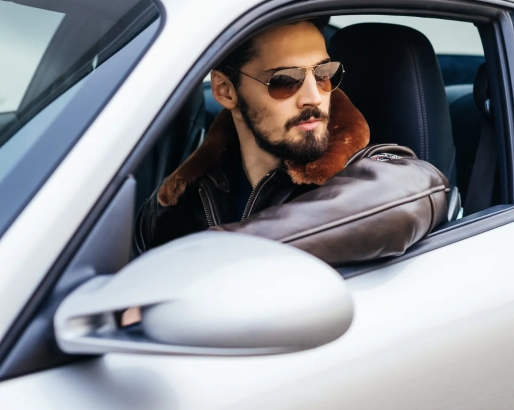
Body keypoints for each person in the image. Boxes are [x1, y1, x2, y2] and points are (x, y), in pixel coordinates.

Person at [134, 18, 449, 265]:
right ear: (226, 91)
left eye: (324, 73)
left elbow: (411, 193)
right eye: (285, 80)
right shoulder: (175, 203)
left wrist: (216, 251)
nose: (314, 96)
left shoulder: (365, 170)